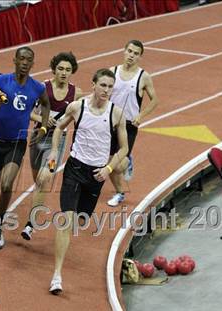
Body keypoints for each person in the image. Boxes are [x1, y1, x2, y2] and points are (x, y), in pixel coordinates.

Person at [47, 68, 128, 294]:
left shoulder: (116, 114)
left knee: (81, 220)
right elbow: (58, 128)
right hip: (74, 168)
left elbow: (124, 148)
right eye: (103, 85)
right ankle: (57, 276)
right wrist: (54, 152)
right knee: (66, 220)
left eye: (110, 87)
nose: (106, 90)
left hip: (97, 174)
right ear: (93, 84)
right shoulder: (77, 107)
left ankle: (76, 221)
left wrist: (109, 168)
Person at [0, 46, 50, 249]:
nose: (24, 62)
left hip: (17, 143)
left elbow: (46, 105)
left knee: (6, 185)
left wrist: (44, 128)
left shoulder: (38, 88)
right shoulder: (0, 81)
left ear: (32, 64)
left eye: (28, 59)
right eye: (21, 58)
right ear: (14, 60)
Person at [21, 52, 83, 241]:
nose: (64, 73)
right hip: (37, 137)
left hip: (57, 141)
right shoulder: (41, 88)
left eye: (68, 70)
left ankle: (30, 225)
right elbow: (27, 111)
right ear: (54, 69)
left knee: (42, 180)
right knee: (37, 178)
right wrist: (42, 119)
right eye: (61, 69)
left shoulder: (77, 93)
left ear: (72, 71)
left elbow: (79, 118)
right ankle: (37, 206)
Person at [107, 39, 159, 207]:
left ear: (140, 57)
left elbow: (154, 101)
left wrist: (141, 116)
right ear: (124, 51)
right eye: (129, 51)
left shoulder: (143, 77)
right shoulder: (112, 72)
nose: (131, 55)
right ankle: (120, 192)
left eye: (136, 53)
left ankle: (127, 160)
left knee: (118, 166)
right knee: (106, 164)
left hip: (129, 126)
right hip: (110, 123)